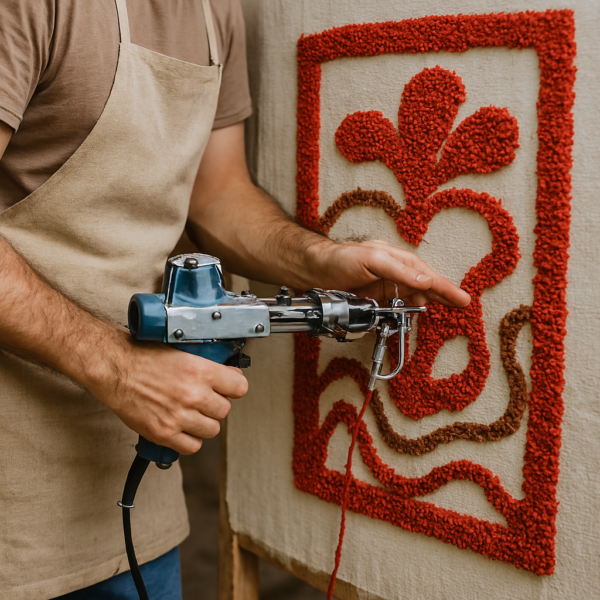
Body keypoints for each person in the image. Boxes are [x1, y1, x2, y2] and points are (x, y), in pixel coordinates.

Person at [0, 1, 470, 598]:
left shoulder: (214, 11)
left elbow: (217, 193)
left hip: (132, 483)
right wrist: (113, 365)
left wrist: (319, 260)